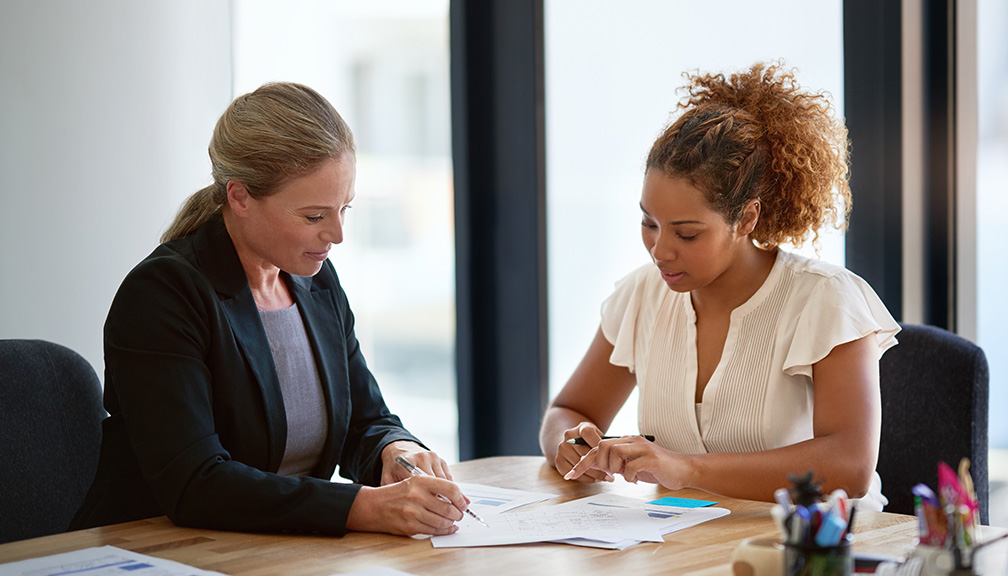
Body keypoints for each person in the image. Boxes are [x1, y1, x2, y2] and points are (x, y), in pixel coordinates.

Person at [70, 82, 467, 537]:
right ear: (239, 197)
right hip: (157, 553)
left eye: (345, 209)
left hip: (277, 553)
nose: (337, 235)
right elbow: (196, 484)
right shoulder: (162, 294)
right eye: (314, 217)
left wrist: (396, 451)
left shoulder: (313, 281)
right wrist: (364, 508)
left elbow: (365, 420)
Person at [539, 62, 899, 510]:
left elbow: (851, 465)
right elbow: (567, 412)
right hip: (687, 545)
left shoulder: (825, 300)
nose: (660, 250)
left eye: (686, 233)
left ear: (746, 218)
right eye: (649, 223)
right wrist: (570, 444)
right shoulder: (642, 295)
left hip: (811, 550)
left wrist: (684, 468)